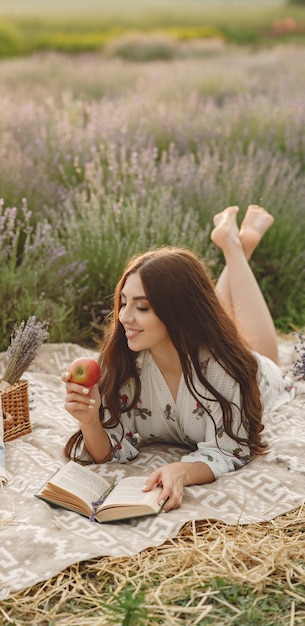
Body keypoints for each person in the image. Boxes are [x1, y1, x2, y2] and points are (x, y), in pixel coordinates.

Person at [62, 205, 294, 512]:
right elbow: (110, 450)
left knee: (267, 354)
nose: (125, 317)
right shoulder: (123, 363)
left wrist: (181, 470)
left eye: (142, 308)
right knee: (209, 309)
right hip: (191, 335)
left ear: (176, 314)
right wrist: (90, 421)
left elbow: (232, 450)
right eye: (123, 303)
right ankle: (238, 245)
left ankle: (237, 249)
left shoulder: (224, 369)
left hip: (258, 371)